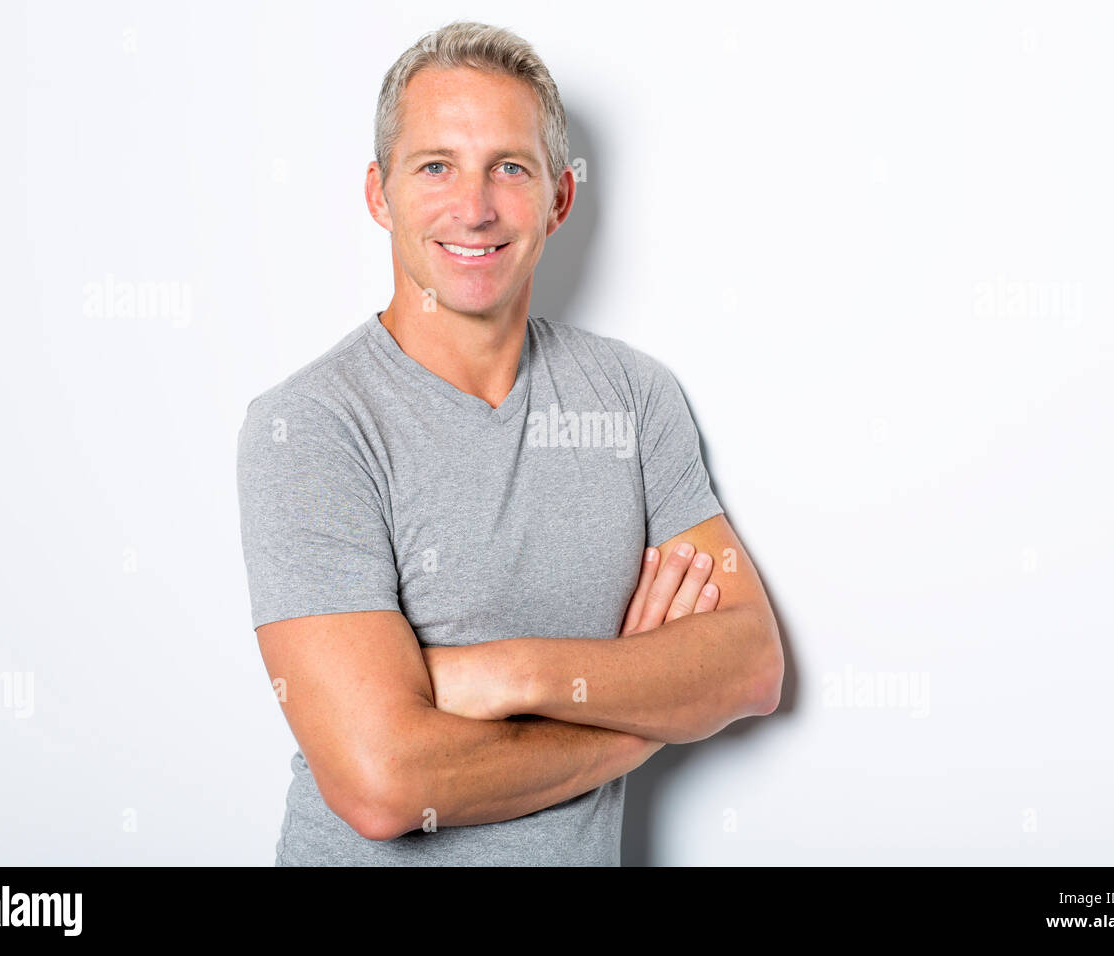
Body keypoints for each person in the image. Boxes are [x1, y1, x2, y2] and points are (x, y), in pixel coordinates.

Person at [235, 20, 783, 866]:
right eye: (435, 166)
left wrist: (511, 675)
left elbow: (749, 666)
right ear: (379, 194)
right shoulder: (310, 426)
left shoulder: (633, 399)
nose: (475, 207)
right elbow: (382, 785)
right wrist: (640, 721)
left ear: (559, 199)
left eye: (510, 168)